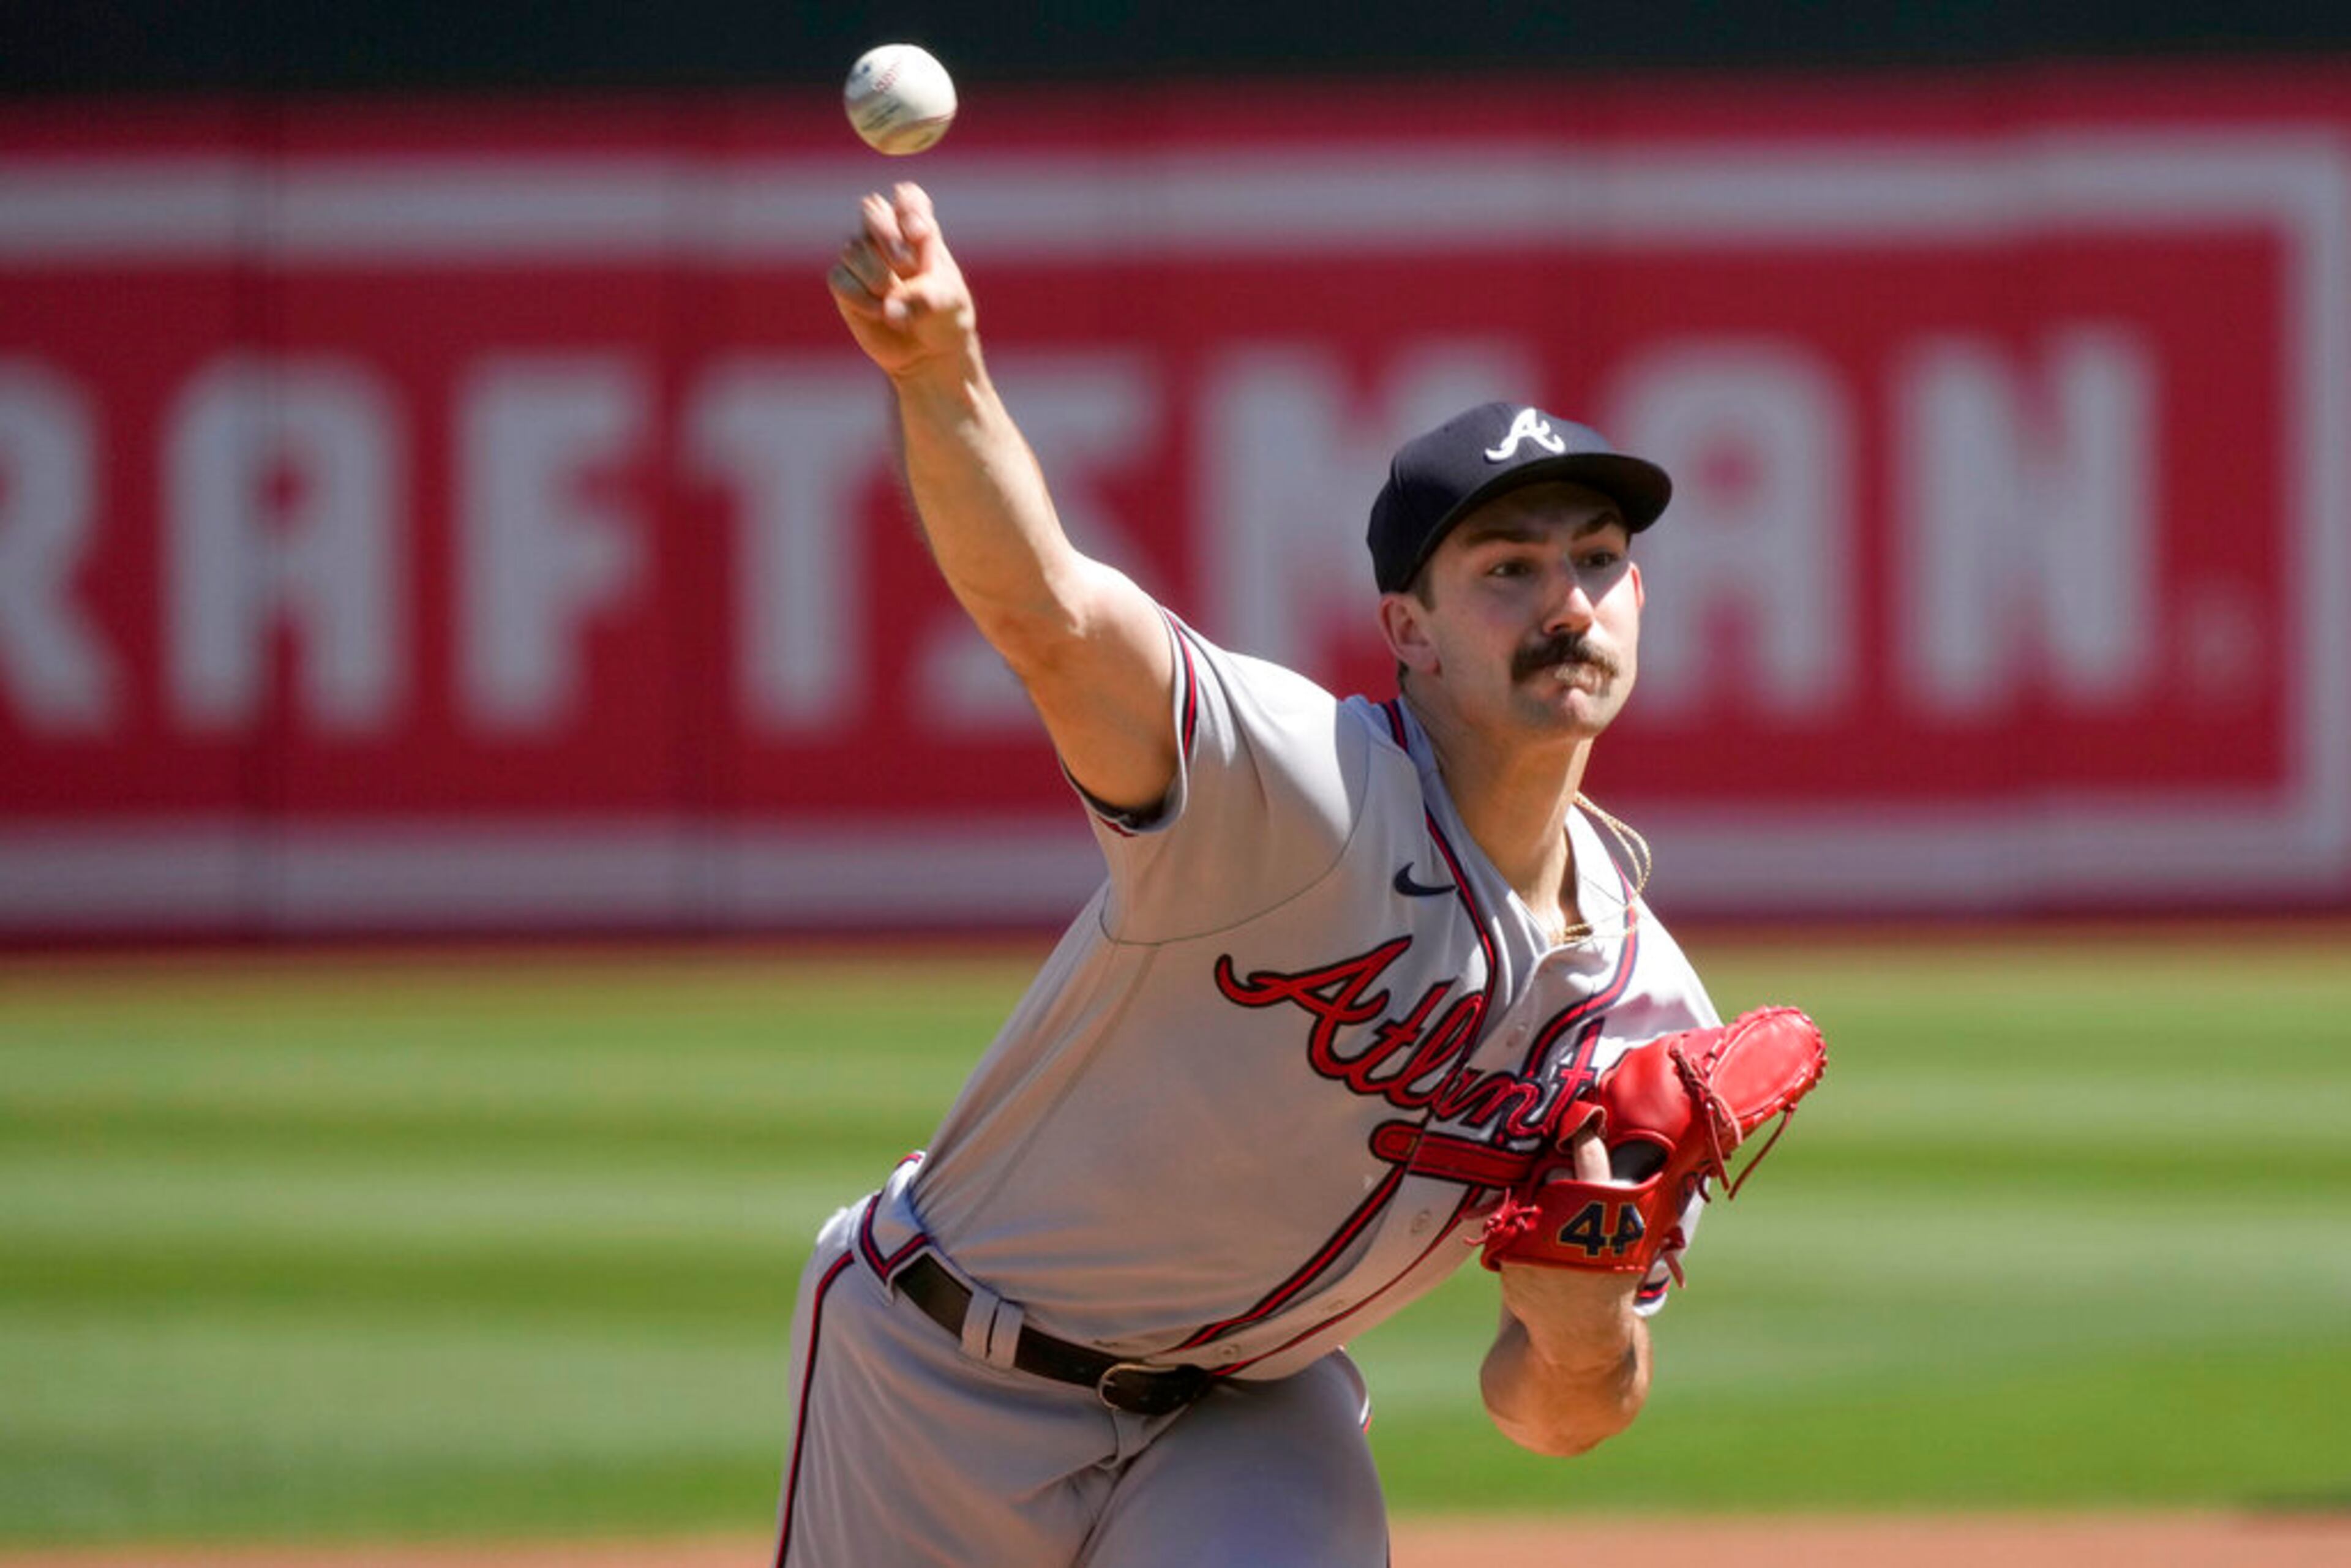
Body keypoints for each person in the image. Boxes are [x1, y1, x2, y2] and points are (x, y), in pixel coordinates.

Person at [778, 181, 1719, 1568]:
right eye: (1508, 570)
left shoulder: (1648, 1018)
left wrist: (1584, 1336)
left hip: (1247, 1414)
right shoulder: (1295, 787)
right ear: (1410, 630)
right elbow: (1048, 615)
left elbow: (1555, 1418)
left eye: (1598, 561)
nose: (1568, 601)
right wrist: (944, 375)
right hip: (943, 1369)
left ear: (1640, 600)